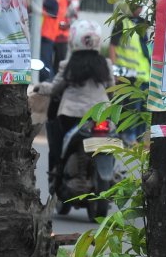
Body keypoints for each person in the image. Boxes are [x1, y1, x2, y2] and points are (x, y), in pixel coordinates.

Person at [31, 19, 113, 185]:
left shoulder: (68, 65)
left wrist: (38, 87)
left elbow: (54, 89)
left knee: (55, 137)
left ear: (73, 40)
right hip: (100, 114)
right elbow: (111, 88)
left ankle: (57, 170)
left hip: (71, 115)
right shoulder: (105, 64)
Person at [108, 3, 151, 143]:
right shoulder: (122, 23)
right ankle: (129, 136)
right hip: (127, 74)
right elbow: (113, 47)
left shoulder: (142, 24)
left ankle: (139, 138)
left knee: (143, 109)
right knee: (132, 108)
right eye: (138, 5)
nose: (140, 9)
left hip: (143, 75)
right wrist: (115, 72)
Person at [39, 0, 70, 79]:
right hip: (50, 36)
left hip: (50, 37)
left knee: (46, 64)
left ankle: (50, 83)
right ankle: (50, 82)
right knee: (46, 63)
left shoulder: (53, 2)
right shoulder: (56, 1)